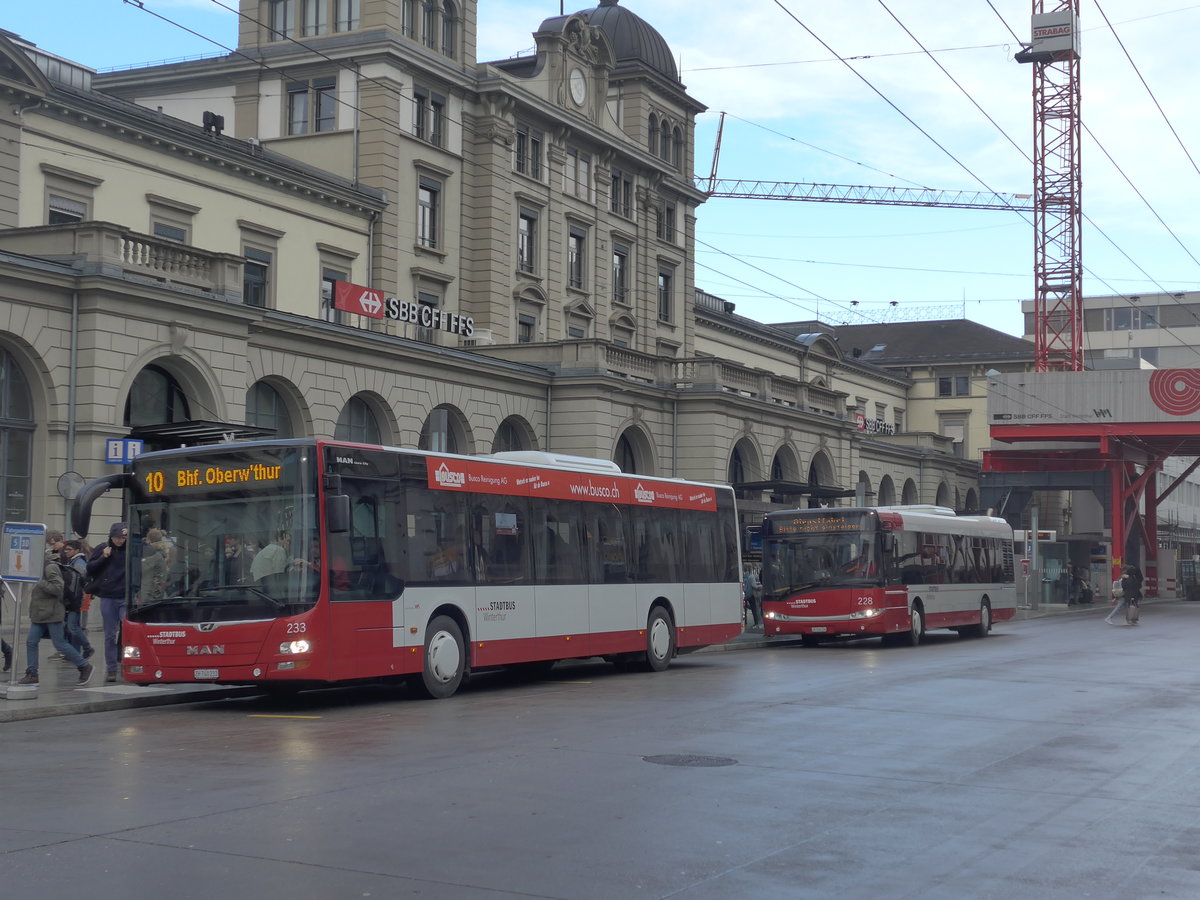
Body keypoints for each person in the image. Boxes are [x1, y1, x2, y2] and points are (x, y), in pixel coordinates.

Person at [16, 538, 94, 686]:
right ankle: (32, 673)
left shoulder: (50, 567)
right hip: (40, 613)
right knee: (31, 642)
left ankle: (84, 666)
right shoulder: (39, 567)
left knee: (60, 644)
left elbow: (58, 588)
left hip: (52, 613)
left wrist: (39, 581)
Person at [87, 521, 129, 683]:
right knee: (110, 635)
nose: (119, 541)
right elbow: (90, 568)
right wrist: (104, 557)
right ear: (111, 536)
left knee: (127, 633)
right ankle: (111, 669)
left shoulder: (130, 551)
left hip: (124, 597)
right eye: (116, 537)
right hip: (108, 597)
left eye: (122, 538)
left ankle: (126, 663)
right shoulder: (103, 548)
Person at [60, 540, 95, 660]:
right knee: (74, 626)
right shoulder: (74, 561)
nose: (66, 552)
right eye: (65, 549)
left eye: (69, 549)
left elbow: (79, 582)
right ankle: (77, 651)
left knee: (72, 627)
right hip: (73, 598)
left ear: (76, 551)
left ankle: (87, 648)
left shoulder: (78, 563)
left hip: (75, 599)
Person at [138, 528, 169, 604]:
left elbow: (142, 573)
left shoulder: (151, 555)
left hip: (149, 597)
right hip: (158, 594)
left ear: (148, 540)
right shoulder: (163, 553)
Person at [742, 564, 762, 629]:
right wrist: (761, 586)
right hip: (751, 595)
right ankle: (756, 623)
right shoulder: (751, 576)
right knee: (754, 609)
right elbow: (754, 586)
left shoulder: (744, 576)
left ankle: (744, 622)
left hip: (745, 594)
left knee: (744, 609)